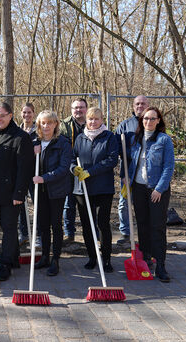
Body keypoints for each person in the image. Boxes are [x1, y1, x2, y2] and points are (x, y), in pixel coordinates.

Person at [0, 102, 34, 281]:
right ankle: (14, 259)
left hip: (12, 192)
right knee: (5, 226)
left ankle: (5, 264)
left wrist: (19, 193)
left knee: (10, 227)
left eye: (2, 115)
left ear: (10, 115)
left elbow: (24, 169)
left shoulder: (20, 137)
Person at [127, 107, 174, 282]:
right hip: (138, 187)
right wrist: (127, 178)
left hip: (157, 190)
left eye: (152, 118)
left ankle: (160, 264)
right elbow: (131, 162)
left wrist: (159, 189)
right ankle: (147, 259)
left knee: (157, 227)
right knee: (143, 224)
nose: (148, 121)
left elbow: (169, 167)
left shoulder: (164, 140)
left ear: (159, 120)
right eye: (146, 118)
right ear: (142, 120)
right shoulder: (135, 139)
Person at [71, 107, 118, 272]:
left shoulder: (109, 137)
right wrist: (74, 169)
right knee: (87, 225)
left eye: (96, 119)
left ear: (102, 120)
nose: (93, 122)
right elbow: (72, 157)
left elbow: (112, 160)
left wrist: (90, 172)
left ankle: (106, 259)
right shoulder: (80, 138)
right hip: (82, 190)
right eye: (90, 119)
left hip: (103, 188)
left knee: (102, 224)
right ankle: (92, 257)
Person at [31, 110, 72, 276]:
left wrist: (45, 178)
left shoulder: (63, 143)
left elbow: (63, 169)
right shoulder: (35, 141)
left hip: (57, 190)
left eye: (49, 123)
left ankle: (56, 259)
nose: (46, 126)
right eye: (43, 123)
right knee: (43, 225)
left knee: (56, 225)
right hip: (39, 190)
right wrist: (33, 155)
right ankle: (44, 257)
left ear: (56, 124)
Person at [115, 95, 149, 244]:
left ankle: (145, 234)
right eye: (137, 104)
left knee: (145, 204)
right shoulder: (124, 125)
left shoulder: (152, 123)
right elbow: (117, 148)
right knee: (124, 202)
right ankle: (126, 233)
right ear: (133, 106)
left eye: (143, 104)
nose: (140, 106)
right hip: (128, 172)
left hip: (147, 174)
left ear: (147, 105)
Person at [60, 98, 88, 243]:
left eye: (81, 107)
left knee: (88, 203)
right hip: (68, 169)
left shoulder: (92, 123)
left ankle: (91, 233)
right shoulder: (64, 125)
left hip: (87, 169)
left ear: (86, 109)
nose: (78, 110)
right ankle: (69, 233)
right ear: (71, 109)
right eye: (75, 108)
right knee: (68, 203)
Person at [17, 102, 38, 247]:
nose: (26, 115)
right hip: (20, 172)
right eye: (24, 112)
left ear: (33, 113)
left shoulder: (39, 130)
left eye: (29, 112)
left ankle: (39, 234)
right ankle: (23, 233)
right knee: (20, 204)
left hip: (35, 172)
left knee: (37, 204)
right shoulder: (17, 131)